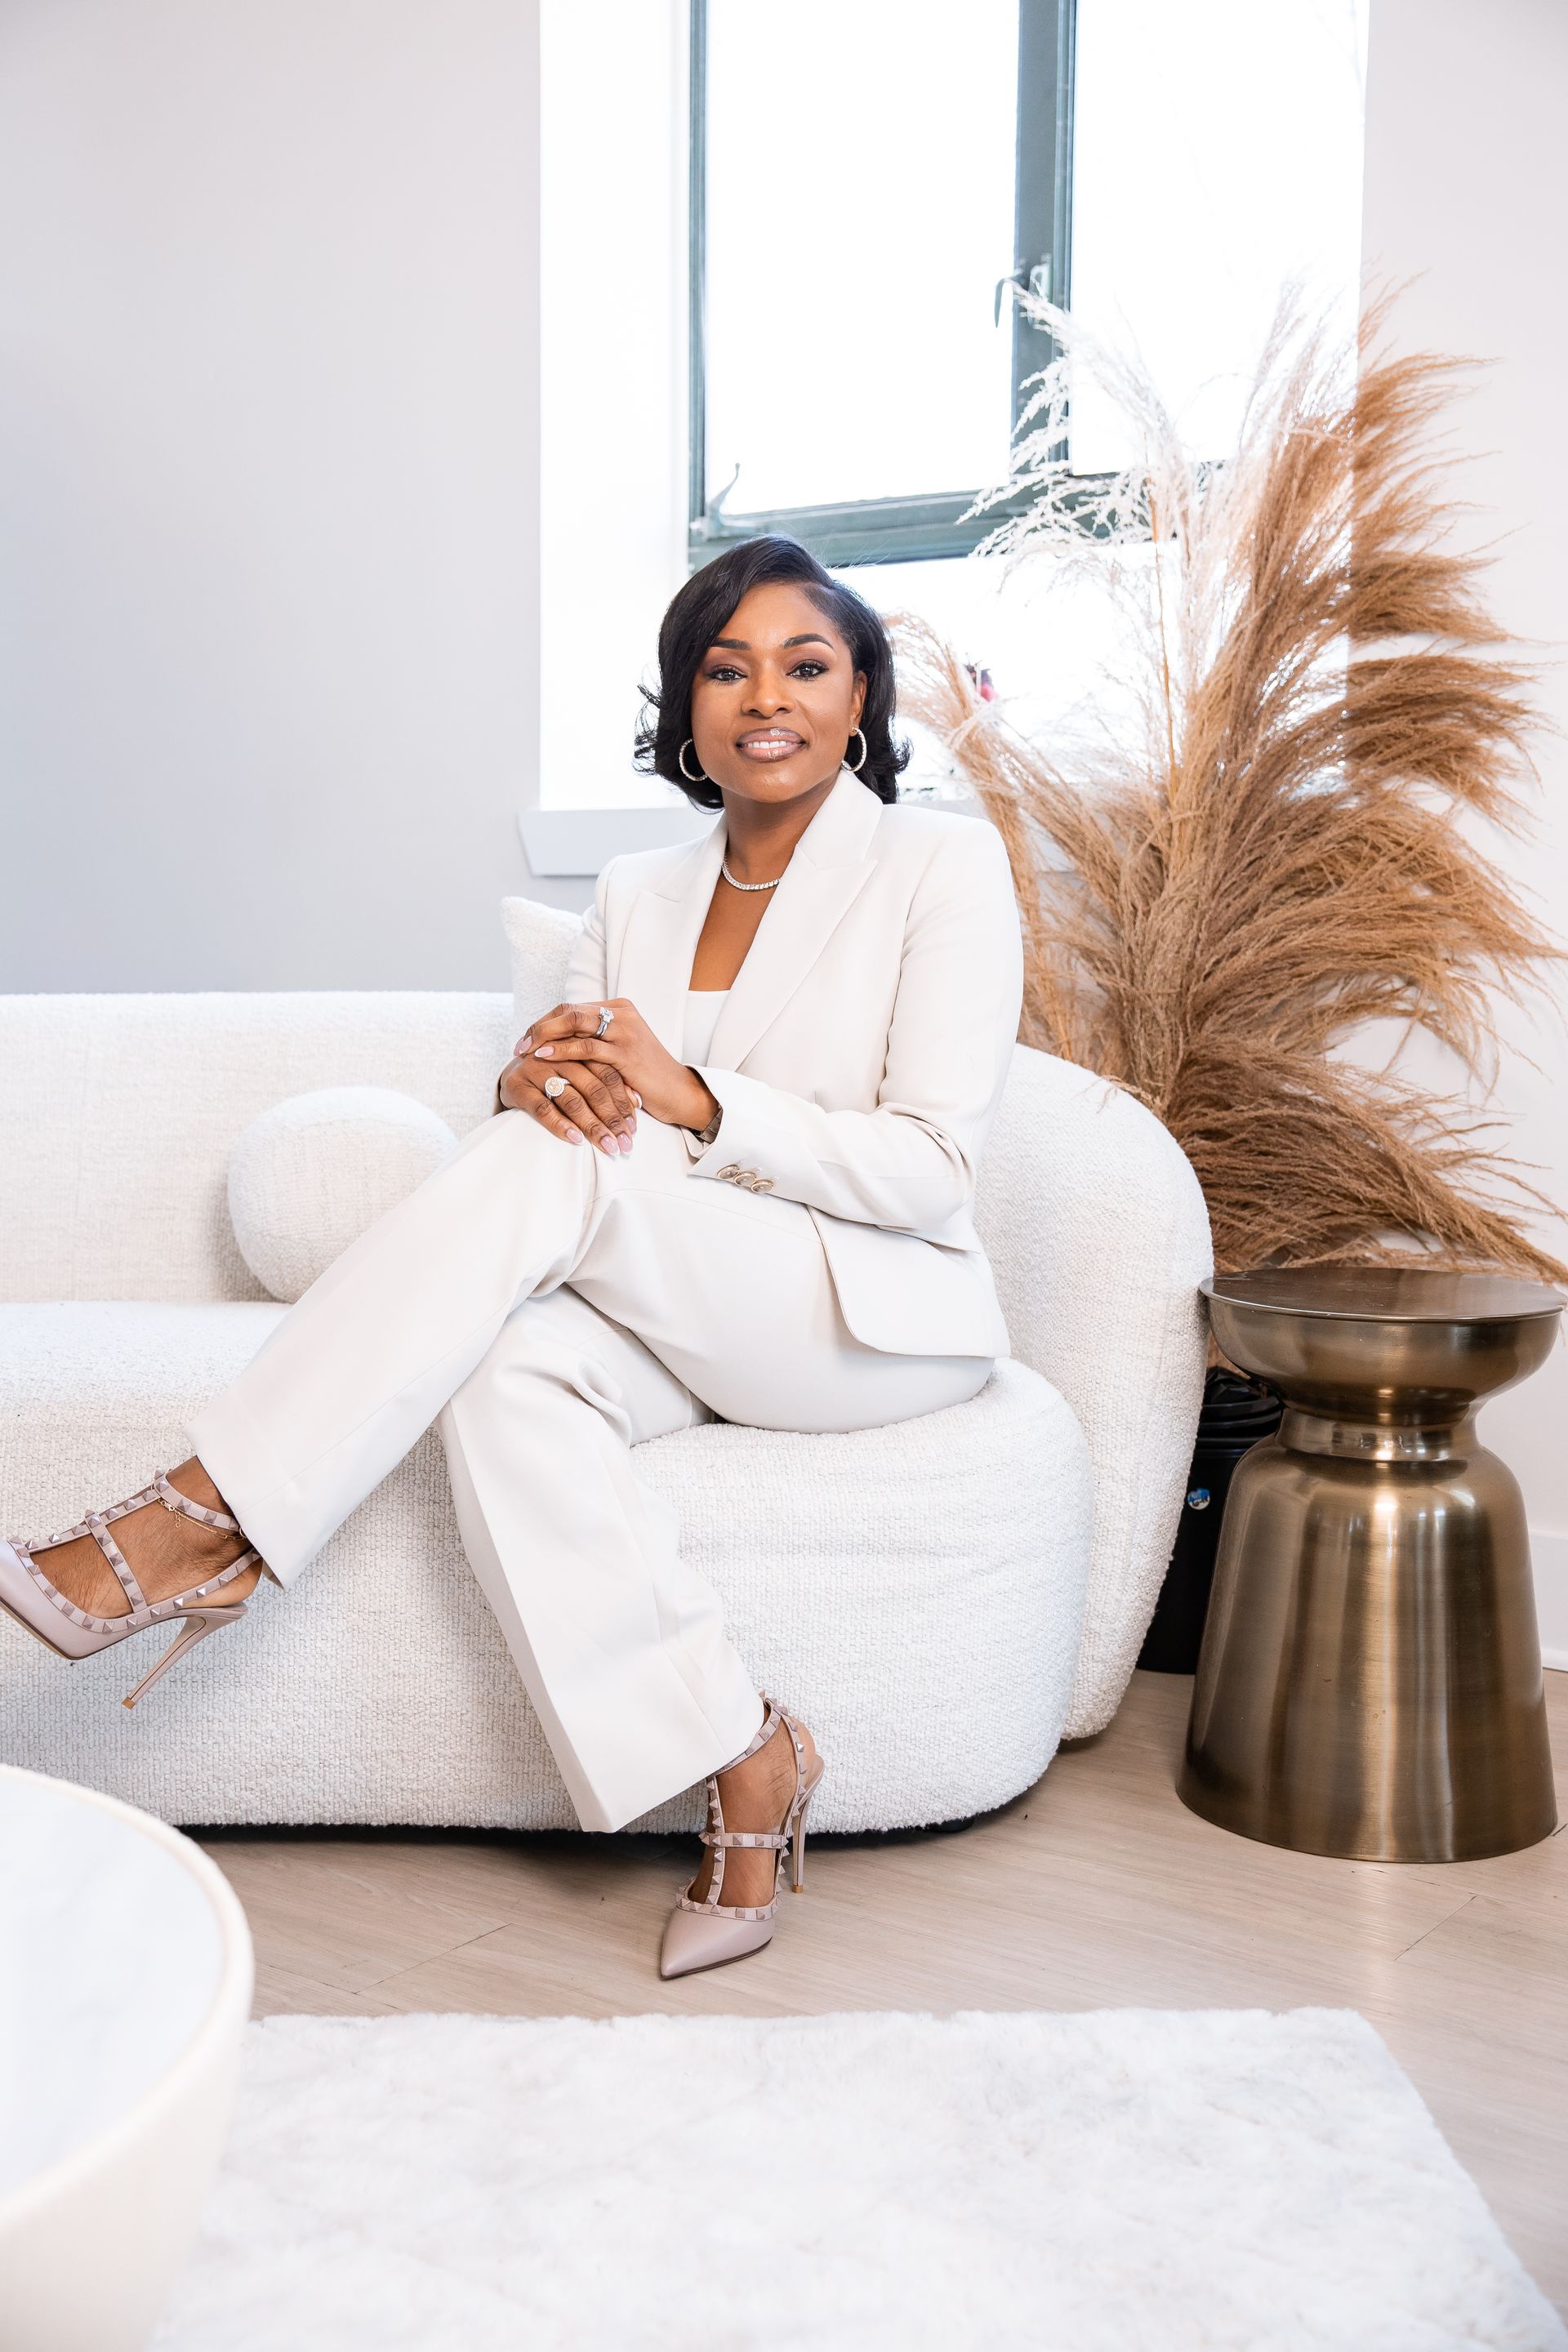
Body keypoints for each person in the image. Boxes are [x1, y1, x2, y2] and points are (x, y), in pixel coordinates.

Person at [0, 535, 1023, 1979]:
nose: (765, 697)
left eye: (807, 665)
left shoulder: (939, 866)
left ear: (863, 699)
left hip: (858, 1313)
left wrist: (699, 1100)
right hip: (675, 1299)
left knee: (567, 1176)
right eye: (724, 668)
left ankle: (201, 1521)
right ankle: (743, 1753)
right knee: (505, 1371)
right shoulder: (638, 893)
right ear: (686, 708)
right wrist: (531, 1091)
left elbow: (932, 1168)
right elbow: (596, 1138)